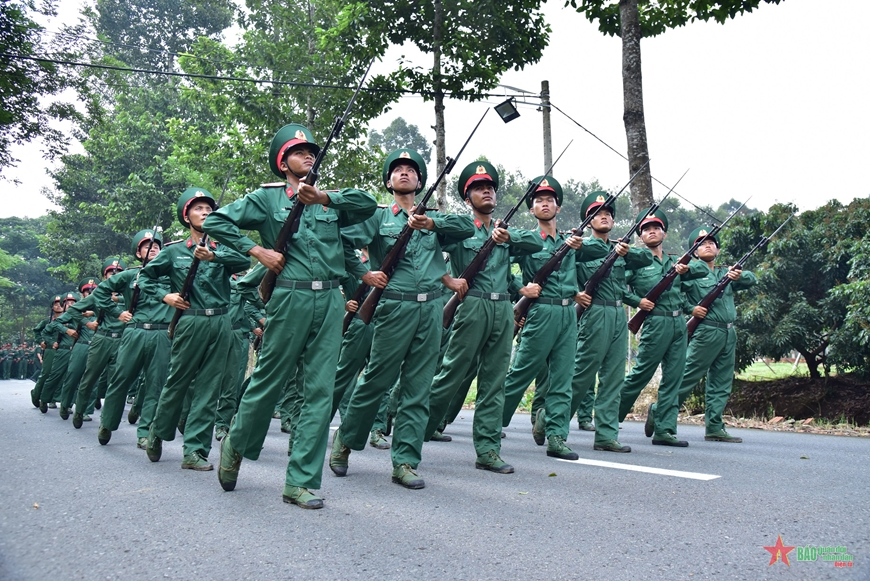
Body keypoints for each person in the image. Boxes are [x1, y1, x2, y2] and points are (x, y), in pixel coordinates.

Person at [204, 123, 377, 509]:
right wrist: (257, 251)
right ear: (283, 162)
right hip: (289, 298)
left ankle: (299, 481)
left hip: (331, 300)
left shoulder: (329, 200)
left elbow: (367, 205)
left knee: (319, 391)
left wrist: (324, 198)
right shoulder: (266, 201)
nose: (309, 156)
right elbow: (214, 221)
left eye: (312, 152)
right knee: (269, 380)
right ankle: (236, 442)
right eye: (300, 152)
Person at [330, 148, 473, 489]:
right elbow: (344, 242)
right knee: (376, 380)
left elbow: (467, 226)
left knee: (418, 387)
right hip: (394, 306)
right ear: (389, 181)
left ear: (421, 180)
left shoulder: (433, 219)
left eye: (411, 170)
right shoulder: (379, 218)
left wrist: (431, 222)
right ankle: (345, 441)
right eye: (398, 170)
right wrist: (365, 274)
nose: (405, 173)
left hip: (431, 309)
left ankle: (406, 461)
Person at [424, 162, 542, 473]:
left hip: (503, 307)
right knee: (452, 374)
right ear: (467, 198)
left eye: (489, 187)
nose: (486, 190)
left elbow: (537, 242)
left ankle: (488, 449)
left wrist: (507, 237)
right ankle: (420, 426)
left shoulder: (504, 231)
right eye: (478, 188)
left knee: (494, 381)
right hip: (472, 304)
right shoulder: (461, 228)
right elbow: (428, 246)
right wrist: (446, 279)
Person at [143, 188, 250, 470]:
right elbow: (145, 278)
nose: (205, 213)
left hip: (221, 321)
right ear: (186, 216)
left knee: (209, 387)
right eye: (198, 209)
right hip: (190, 320)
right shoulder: (174, 252)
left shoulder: (221, 247)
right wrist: (166, 296)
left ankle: (194, 451)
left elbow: (244, 261)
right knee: (177, 382)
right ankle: (158, 431)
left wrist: (213, 258)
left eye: (208, 209)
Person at [501, 180, 605, 460]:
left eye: (550, 199)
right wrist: (518, 288)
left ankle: (557, 437)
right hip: (540, 312)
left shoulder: (570, 241)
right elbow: (497, 258)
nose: (544, 203)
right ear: (532, 209)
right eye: (539, 200)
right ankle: (490, 425)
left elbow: (603, 251)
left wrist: (580, 244)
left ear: (558, 206)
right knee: (520, 374)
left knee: (562, 378)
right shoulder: (527, 238)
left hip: (567, 314)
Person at [571, 192, 652, 453]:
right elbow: (564, 269)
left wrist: (625, 252)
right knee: (582, 374)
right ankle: (552, 420)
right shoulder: (580, 246)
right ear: (588, 220)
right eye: (597, 213)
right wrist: (575, 292)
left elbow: (647, 258)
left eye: (608, 213)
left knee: (614, 378)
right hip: (594, 313)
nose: (604, 216)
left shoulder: (621, 249)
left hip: (619, 314)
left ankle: (606, 435)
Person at [618, 209, 706, 446]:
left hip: (678, 323)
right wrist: (637, 302)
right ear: (640, 236)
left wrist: (688, 271)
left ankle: (665, 430)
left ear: (664, 233)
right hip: (654, 322)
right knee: (641, 374)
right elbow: (614, 285)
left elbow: (702, 273)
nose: (652, 231)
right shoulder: (636, 262)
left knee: (674, 379)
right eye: (646, 229)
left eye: (656, 228)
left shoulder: (676, 263)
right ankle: (610, 417)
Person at [94, 229, 173, 449]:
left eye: (156, 246)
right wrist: (116, 312)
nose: (153, 249)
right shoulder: (130, 275)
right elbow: (101, 292)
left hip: (162, 332)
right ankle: (107, 422)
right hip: (135, 332)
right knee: (121, 379)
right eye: (147, 246)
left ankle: (146, 432)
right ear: (138, 253)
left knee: (155, 384)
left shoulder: (172, 276)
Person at [678, 226, 756, 443]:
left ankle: (714, 427)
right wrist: (689, 309)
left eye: (712, 242)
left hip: (729, 332)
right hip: (706, 331)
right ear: (694, 252)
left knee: (721, 382)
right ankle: (661, 412)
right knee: (687, 376)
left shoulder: (725, 273)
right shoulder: (691, 273)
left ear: (718, 250)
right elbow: (673, 293)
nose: (708, 245)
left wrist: (739, 274)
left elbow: (752, 280)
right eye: (701, 243)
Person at [72, 258, 128, 428]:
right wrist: (87, 323)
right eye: (112, 273)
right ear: (105, 276)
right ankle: (80, 410)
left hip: (122, 340)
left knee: (116, 383)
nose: (115, 275)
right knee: (90, 378)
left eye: (119, 273)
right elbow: (75, 310)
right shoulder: (98, 294)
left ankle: (107, 421)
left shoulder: (131, 294)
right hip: (101, 338)